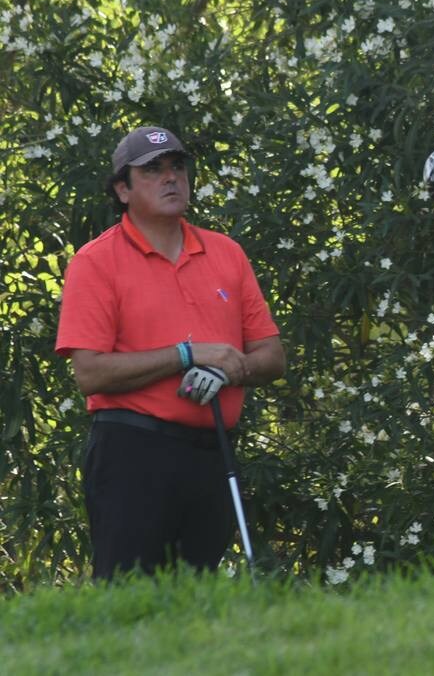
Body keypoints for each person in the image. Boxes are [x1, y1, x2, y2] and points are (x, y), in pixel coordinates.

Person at [55, 125, 286, 579]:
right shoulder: (95, 262)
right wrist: (186, 355)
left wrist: (228, 371)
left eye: (177, 166)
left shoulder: (226, 253)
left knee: (195, 604)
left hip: (211, 451)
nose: (171, 178)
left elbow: (271, 356)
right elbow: (91, 373)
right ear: (122, 189)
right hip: (132, 453)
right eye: (153, 170)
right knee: (130, 603)